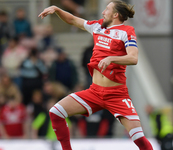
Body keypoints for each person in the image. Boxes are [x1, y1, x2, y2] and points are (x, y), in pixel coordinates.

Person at [38, 1, 153, 150]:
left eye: (107, 9)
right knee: (55, 112)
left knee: (138, 138)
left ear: (115, 14)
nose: (103, 12)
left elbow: (133, 58)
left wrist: (112, 58)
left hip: (117, 95)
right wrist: (57, 9)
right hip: (94, 92)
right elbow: (73, 20)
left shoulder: (126, 31)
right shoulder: (97, 26)